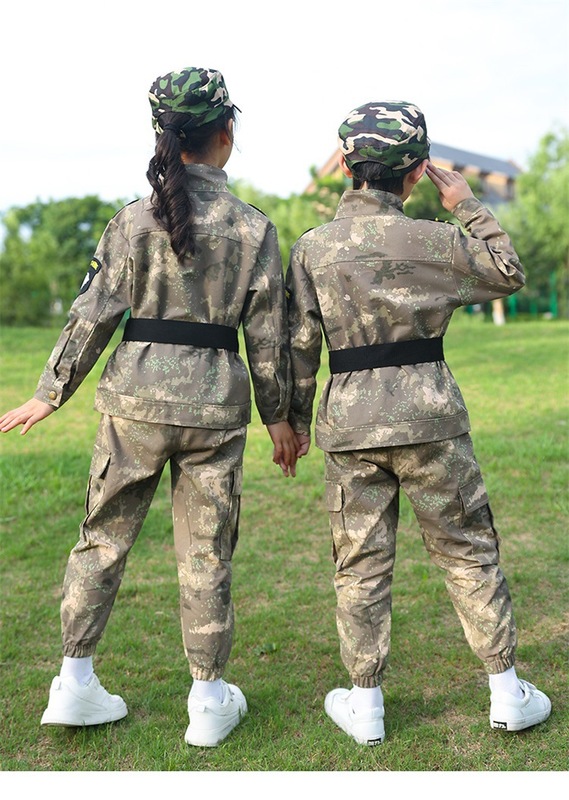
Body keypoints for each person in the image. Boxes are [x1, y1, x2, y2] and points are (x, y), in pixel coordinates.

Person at [0, 67, 299, 747]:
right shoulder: (253, 229)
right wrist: (279, 416)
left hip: (133, 403)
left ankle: (74, 683)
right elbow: (268, 336)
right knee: (206, 554)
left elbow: (92, 314)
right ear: (226, 133)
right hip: (214, 408)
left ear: (163, 134)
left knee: (102, 539)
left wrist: (50, 392)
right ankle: (208, 701)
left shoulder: (132, 221)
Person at [285, 101, 551, 745]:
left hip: (351, 425)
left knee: (360, 565)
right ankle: (507, 692)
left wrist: (291, 421)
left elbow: (298, 348)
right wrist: (466, 205)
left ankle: (366, 703)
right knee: (468, 552)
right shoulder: (438, 240)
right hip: (433, 420)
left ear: (347, 166)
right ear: (415, 173)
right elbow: (508, 271)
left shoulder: (314, 249)